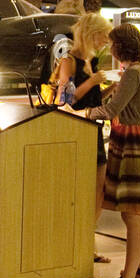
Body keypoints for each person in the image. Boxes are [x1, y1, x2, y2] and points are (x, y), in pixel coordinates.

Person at [68, 24, 140, 278]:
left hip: (130, 142)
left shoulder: (133, 72)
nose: (109, 49)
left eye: (112, 44)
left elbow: (111, 110)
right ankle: (139, 268)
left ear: (121, 46)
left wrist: (83, 114)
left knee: (131, 215)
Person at [53, 13, 113, 263]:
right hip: (78, 130)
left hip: (94, 130)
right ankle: (80, 244)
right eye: (102, 36)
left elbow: (91, 99)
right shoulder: (70, 61)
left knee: (99, 192)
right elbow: (65, 99)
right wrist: (93, 82)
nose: (104, 42)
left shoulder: (91, 62)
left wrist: (109, 90)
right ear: (91, 33)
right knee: (82, 192)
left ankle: (87, 242)